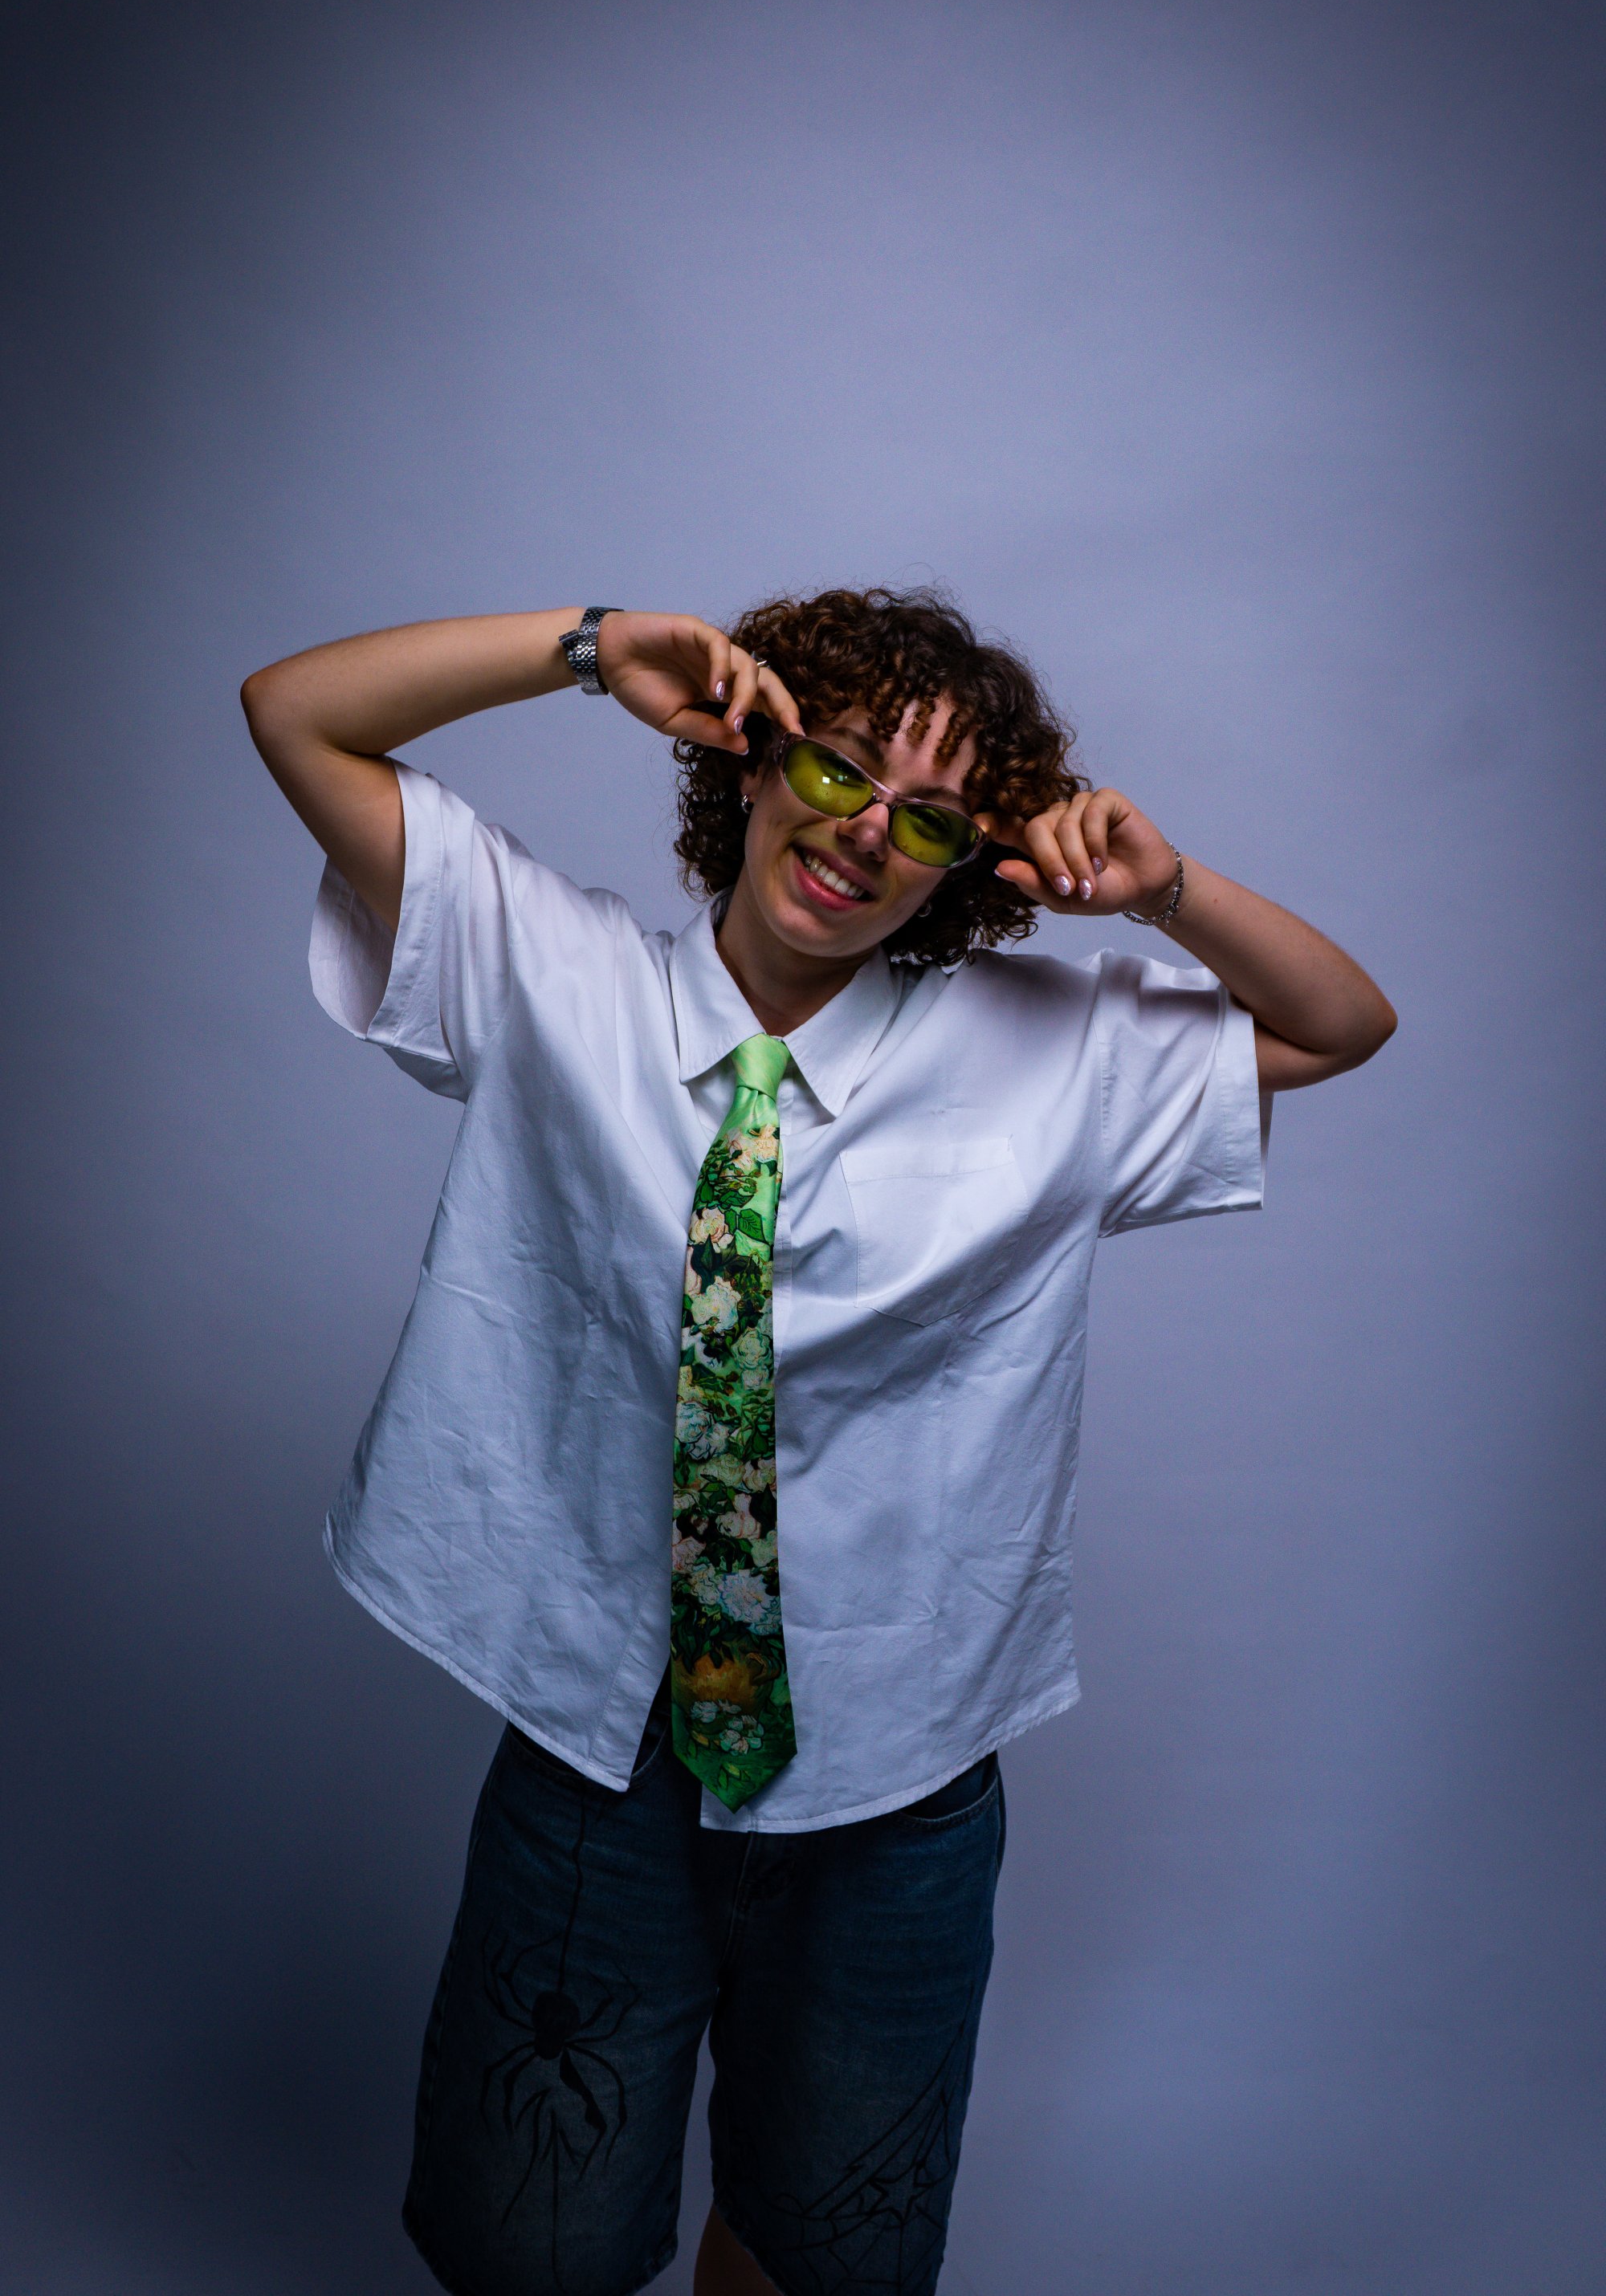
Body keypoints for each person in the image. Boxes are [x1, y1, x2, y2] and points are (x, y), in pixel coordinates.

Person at [243, 590, 1394, 2296]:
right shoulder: (549, 975)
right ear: (752, 759)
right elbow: (296, 712)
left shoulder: (1050, 1059)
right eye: (840, 769)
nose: (865, 832)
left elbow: (1339, 1023)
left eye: (928, 819)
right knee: (533, 2246)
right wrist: (590, 648)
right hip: (599, 1746)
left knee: (822, 2252)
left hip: (898, 1780)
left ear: (964, 867)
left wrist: (1162, 894)